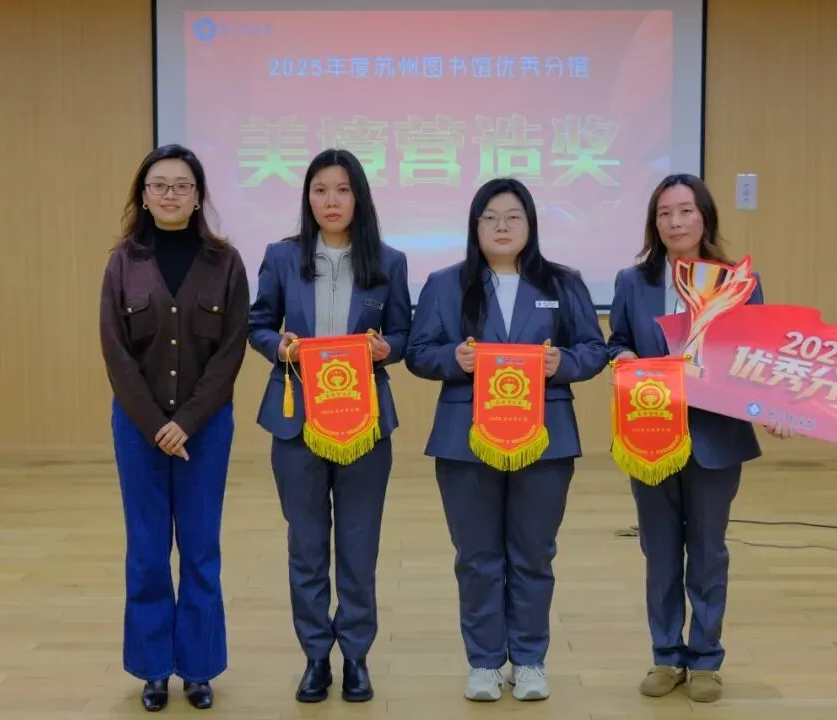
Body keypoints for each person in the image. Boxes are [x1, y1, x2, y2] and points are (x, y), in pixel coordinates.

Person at [404, 177, 608, 702]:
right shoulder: (445, 284)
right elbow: (418, 353)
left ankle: (531, 659)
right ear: (475, 226)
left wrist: (563, 362)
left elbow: (594, 349)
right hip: (465, 439)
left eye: (513, 217)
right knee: (477, 556)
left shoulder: (563, 283)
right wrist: (455, 358)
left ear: (530, 225)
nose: (502, 226)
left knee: (533, 553)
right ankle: (485, 662)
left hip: (545, 438)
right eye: (490, 217)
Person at [607, 173, 793, 704]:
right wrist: (624, 359)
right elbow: (616, 342)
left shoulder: (739, 283)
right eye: (664, 213)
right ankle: (666, 655)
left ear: (704, 216)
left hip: (715, 435)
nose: (675, 222)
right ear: (654, 222)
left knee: (708, 551)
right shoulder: (632, 282)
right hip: (649, 432)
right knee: (660, 549)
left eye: (685, 211)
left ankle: (706, 658)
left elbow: (756, 356)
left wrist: (773, 406)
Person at [247, 148, 411, 704]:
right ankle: (316, 655)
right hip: (298, 419)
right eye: (320, 190)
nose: (331, 201)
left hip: (365, 422)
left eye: (342, 190)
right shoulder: (282, 256)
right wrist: (280, 346)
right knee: (307, 545)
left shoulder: (388, 261)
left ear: (358, 197)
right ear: (308, 198)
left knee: (359, 546)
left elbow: (403, 335)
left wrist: (387, 349)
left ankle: (357, 656)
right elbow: (258, 324)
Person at [99, 144, 249, 712]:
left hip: (205, 429)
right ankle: (154, 669)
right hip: (138, 429)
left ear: (198, 195)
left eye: (182, 185)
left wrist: (184, 422)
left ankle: (199, 668)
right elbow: (115, 351)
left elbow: (231, 351)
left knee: (201, 548)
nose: (170, 194)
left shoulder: (225, 262)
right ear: (143, 194)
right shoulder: (123, 262)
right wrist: (155, 424)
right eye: (159, 185)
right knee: (147, 549)